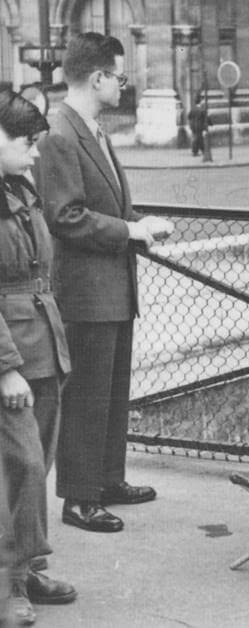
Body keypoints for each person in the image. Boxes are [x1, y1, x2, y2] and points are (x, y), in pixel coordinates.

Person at [33, 32, 174, 534]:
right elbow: (65, 217)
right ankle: (79, 498)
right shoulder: (59, 133)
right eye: (118, 75)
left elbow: (104, 204)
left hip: (111, 288)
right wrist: (130, 231)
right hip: (85, 293)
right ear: (97, 78)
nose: (122, 84)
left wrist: (139, 223)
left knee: (111, 395)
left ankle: (107, 480)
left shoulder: (89, 129)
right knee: (87, 398)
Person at [0, 88, 78, 625]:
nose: (34, 154)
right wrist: (5, 369)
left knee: (38, 464)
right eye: (26, 143)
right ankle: (8, 584)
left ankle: (25, 570)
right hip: (12, 354)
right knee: (20, 466)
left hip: (43, 345)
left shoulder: (19, 187)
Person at [187, 93, 210, 157]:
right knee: (199, 139)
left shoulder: (193, 109)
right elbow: (206, 119)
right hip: (200, 127)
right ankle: (197, 151)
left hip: (193, 126)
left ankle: (198, 151)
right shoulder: (202, 110)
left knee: (196, 138)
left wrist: (191, 124)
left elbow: (189, 117)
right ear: (200, 102)